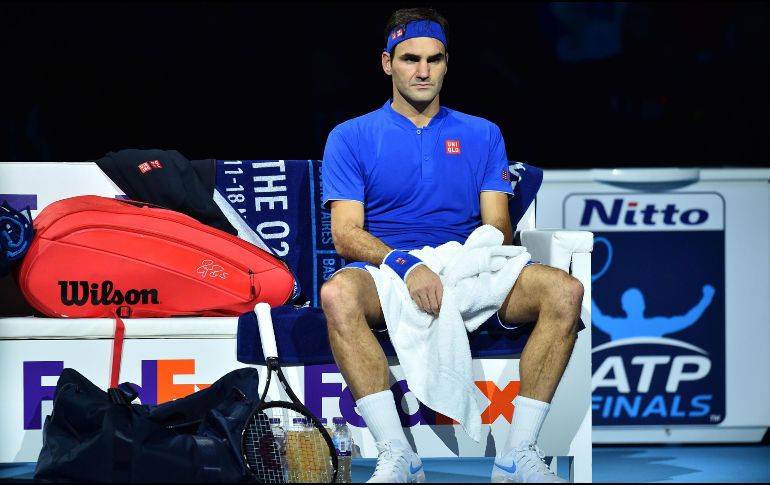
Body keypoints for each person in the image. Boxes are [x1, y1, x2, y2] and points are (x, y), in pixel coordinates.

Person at [320, 7, 583, 483]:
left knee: (564, 291)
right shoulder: (350, 136)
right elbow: (346, 234)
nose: (422, 71)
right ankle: (399, 455)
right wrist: (404, 264)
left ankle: (518, 455)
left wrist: (454, 265)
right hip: (388, 270)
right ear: (387, 63)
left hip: (466, 267)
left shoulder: (483, 133)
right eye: (410, 59)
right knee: (337, 294)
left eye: (434, 59)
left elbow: (498, 227)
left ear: (446, 63)